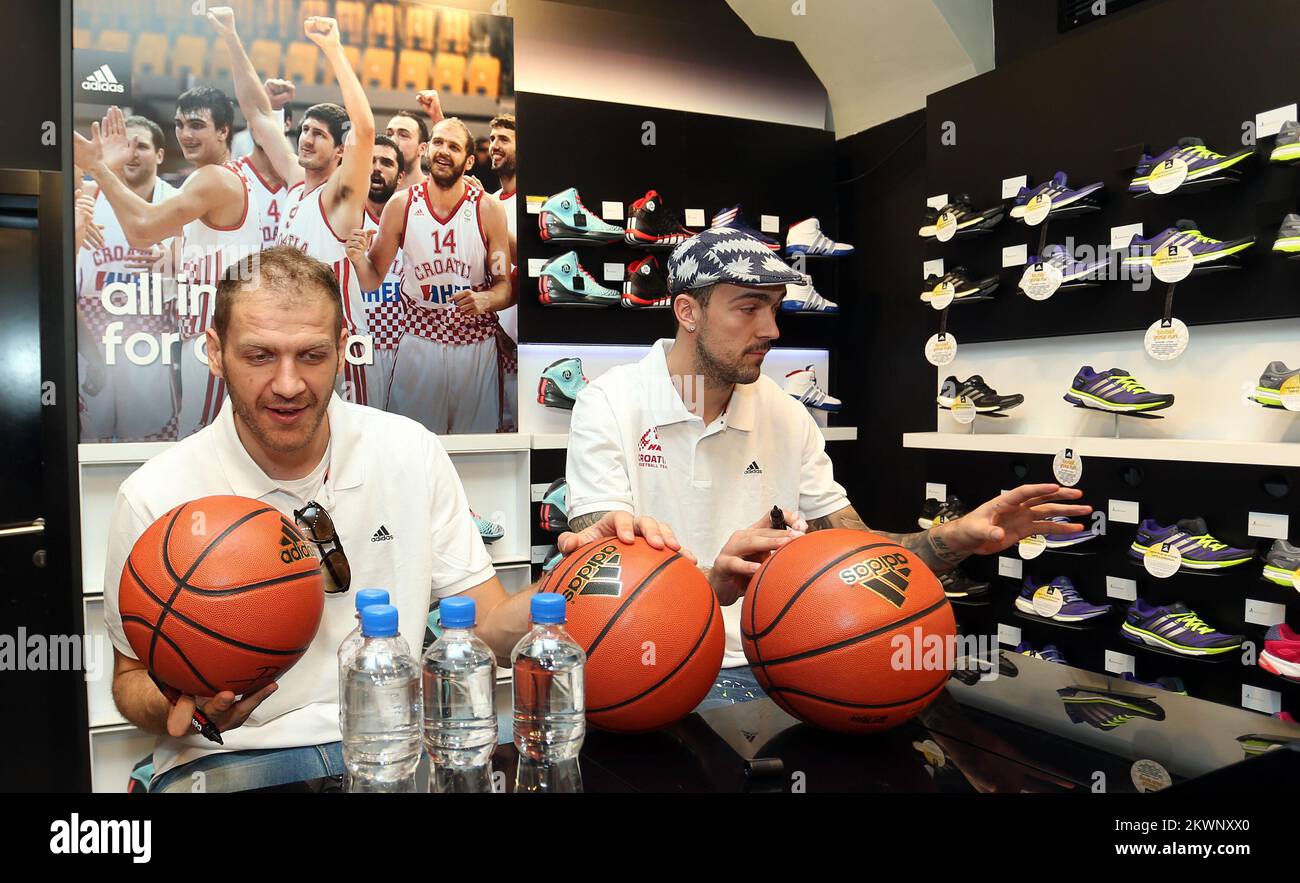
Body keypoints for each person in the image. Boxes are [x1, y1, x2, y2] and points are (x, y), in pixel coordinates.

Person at [101, 246, 679, 792]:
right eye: (259, 356)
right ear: (214, 351)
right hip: (234, 757)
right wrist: (185, 706)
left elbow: (487, 628)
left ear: (343, 347)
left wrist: (577, 576)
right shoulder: (156, 495)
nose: (288, 384)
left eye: (312, 355)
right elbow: (129, 681)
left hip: (397, 746)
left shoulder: (409, 450)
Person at [563, 227, 1091, 707]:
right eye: (749, 308)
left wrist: (956, 538)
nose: (771, 329)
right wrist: (714, 584)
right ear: (687, 312)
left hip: (779, 669)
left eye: (775, 308)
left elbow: (857, 556)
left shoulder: (788, 415)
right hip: (653, 669)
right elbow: (599, 579)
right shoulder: (608, 403)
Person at [73, 89, 262, 440]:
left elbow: (142, 230)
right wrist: (174, 261)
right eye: (179, 124)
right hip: (199, 336)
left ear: (224, 131)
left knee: (205, 444)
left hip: (215, 336)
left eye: (197, 125)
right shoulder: (220, 179)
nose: (185, 134)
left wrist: (98, 166)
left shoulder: (214, 178)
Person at [210, 8, 375, 407]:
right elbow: (257, 113)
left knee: (349, 440)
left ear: (340, 150)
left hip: (341, 344)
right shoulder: (296, 184)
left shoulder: (339, 197)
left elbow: (366, 129)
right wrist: (231, 37)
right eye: (305, 130)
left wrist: (333, 49)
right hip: (298, 340)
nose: (306, 139)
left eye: (319, 135)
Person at [348, 117, 512, 435]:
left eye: (453, 146)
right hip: (420, 343)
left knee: (477, 448)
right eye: (438, 142)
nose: (443, 151)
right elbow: (372, 279)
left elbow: (504, 287)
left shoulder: (488, 209)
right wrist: (358, 260)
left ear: (469, 161)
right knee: (411, 445)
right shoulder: (401, 205)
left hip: (475, 346)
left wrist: (486, 299)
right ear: (427, 150)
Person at [75, 115, 180, 442]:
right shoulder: (88, 196)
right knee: (90, 440)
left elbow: (205, 271)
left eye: (141, 146)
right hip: (93, 337)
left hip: (149, 341)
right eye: (125, 145)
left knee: (149, 442)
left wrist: (174, 263)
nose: (131, 154)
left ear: (160, 155)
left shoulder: (178, 203)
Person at [361, 135, 407, 405]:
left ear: (400, 177)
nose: (377, 168)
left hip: (404, 352)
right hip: (360, 350)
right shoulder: (343, 220)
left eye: (386, 163)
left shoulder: (414, 219)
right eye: (371, 161)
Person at [488, 113, 518, 432]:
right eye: (492, 139)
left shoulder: (533, 200)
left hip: (520, 341)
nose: (495, 145)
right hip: (492, 337)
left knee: (520, 428)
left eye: (504, 139)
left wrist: (493, 308)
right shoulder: (492, 200)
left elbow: (528, 264)